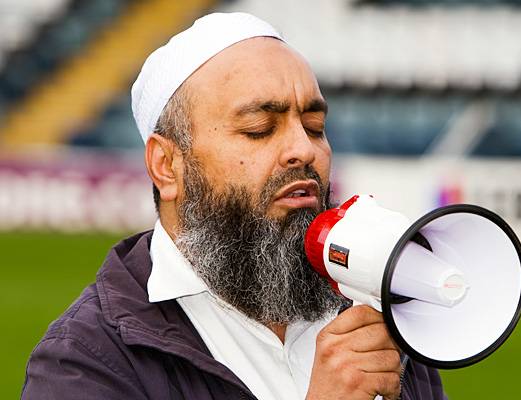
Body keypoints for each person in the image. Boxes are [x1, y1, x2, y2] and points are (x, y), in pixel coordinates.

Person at [22, 12, 446, 400]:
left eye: (315, 127)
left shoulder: (377, 313)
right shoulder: (85, 362)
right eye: (259, 129)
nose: (303, 149)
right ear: (167, 165)